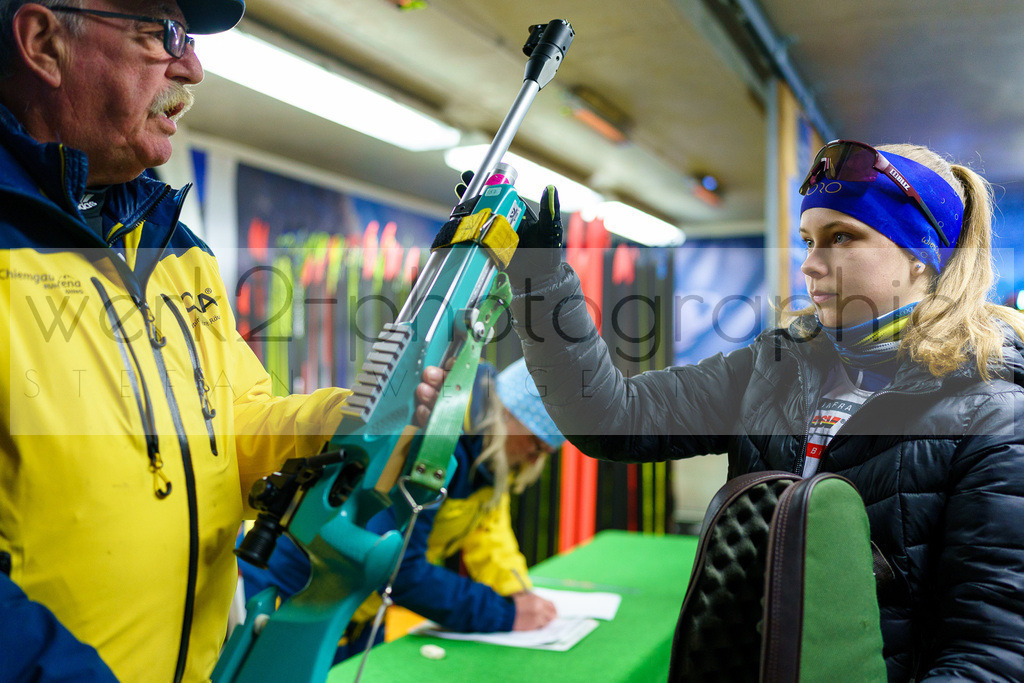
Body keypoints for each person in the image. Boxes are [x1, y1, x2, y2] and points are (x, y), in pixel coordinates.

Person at [418, 142, 1024, 680]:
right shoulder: (778, 365)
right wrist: (541, 279)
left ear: (924, 255)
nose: (810, 263)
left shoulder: (993, 417)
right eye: (809, 240)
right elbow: (613, 417)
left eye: (843, 237)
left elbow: (991, 654)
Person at [0, 1, 359, 680]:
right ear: (44, 43)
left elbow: (242, 422)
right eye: (162, 34)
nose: (191, 66)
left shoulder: (175, 249)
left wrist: (348, 423)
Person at [239, 358, 565, 663]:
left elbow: (489, 532)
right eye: (536, 446)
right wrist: (505, 614)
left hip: (358, 614)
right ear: (509, 414)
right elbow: (398, 568)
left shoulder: (489, 461)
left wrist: (519, 593)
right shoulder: (435, 441)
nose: (535, 461)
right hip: (291, 600)